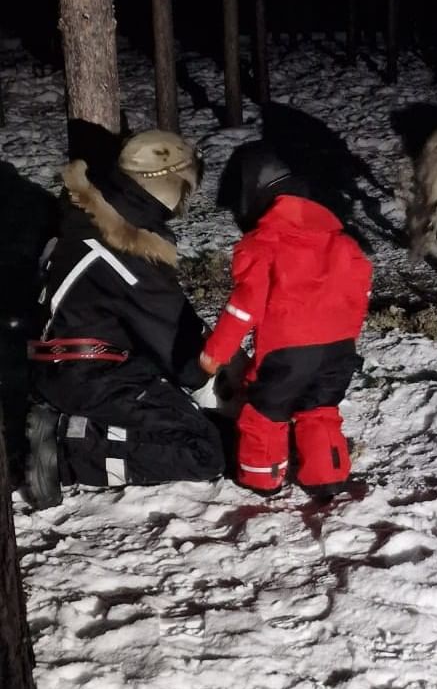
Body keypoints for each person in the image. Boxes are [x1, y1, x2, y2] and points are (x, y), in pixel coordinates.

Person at [23, 130, 225, 510]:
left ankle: (69, 428)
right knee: (203, 449)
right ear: (168, 187)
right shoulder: (124, 250)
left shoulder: (92, 216)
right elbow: (176, 343)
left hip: (64, 363)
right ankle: (67, 451)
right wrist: (211, 377)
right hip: (89, 374)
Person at [199, 144, 372, 496]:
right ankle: (328, 479)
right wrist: (344, 339)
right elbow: (360, 297)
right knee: (320, 410)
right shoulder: (342, 243)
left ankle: (261, 479)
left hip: (289, 355)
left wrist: (215, 352)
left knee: (265, 413)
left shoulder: (266, 243)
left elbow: (243, 307)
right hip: (339, 350)